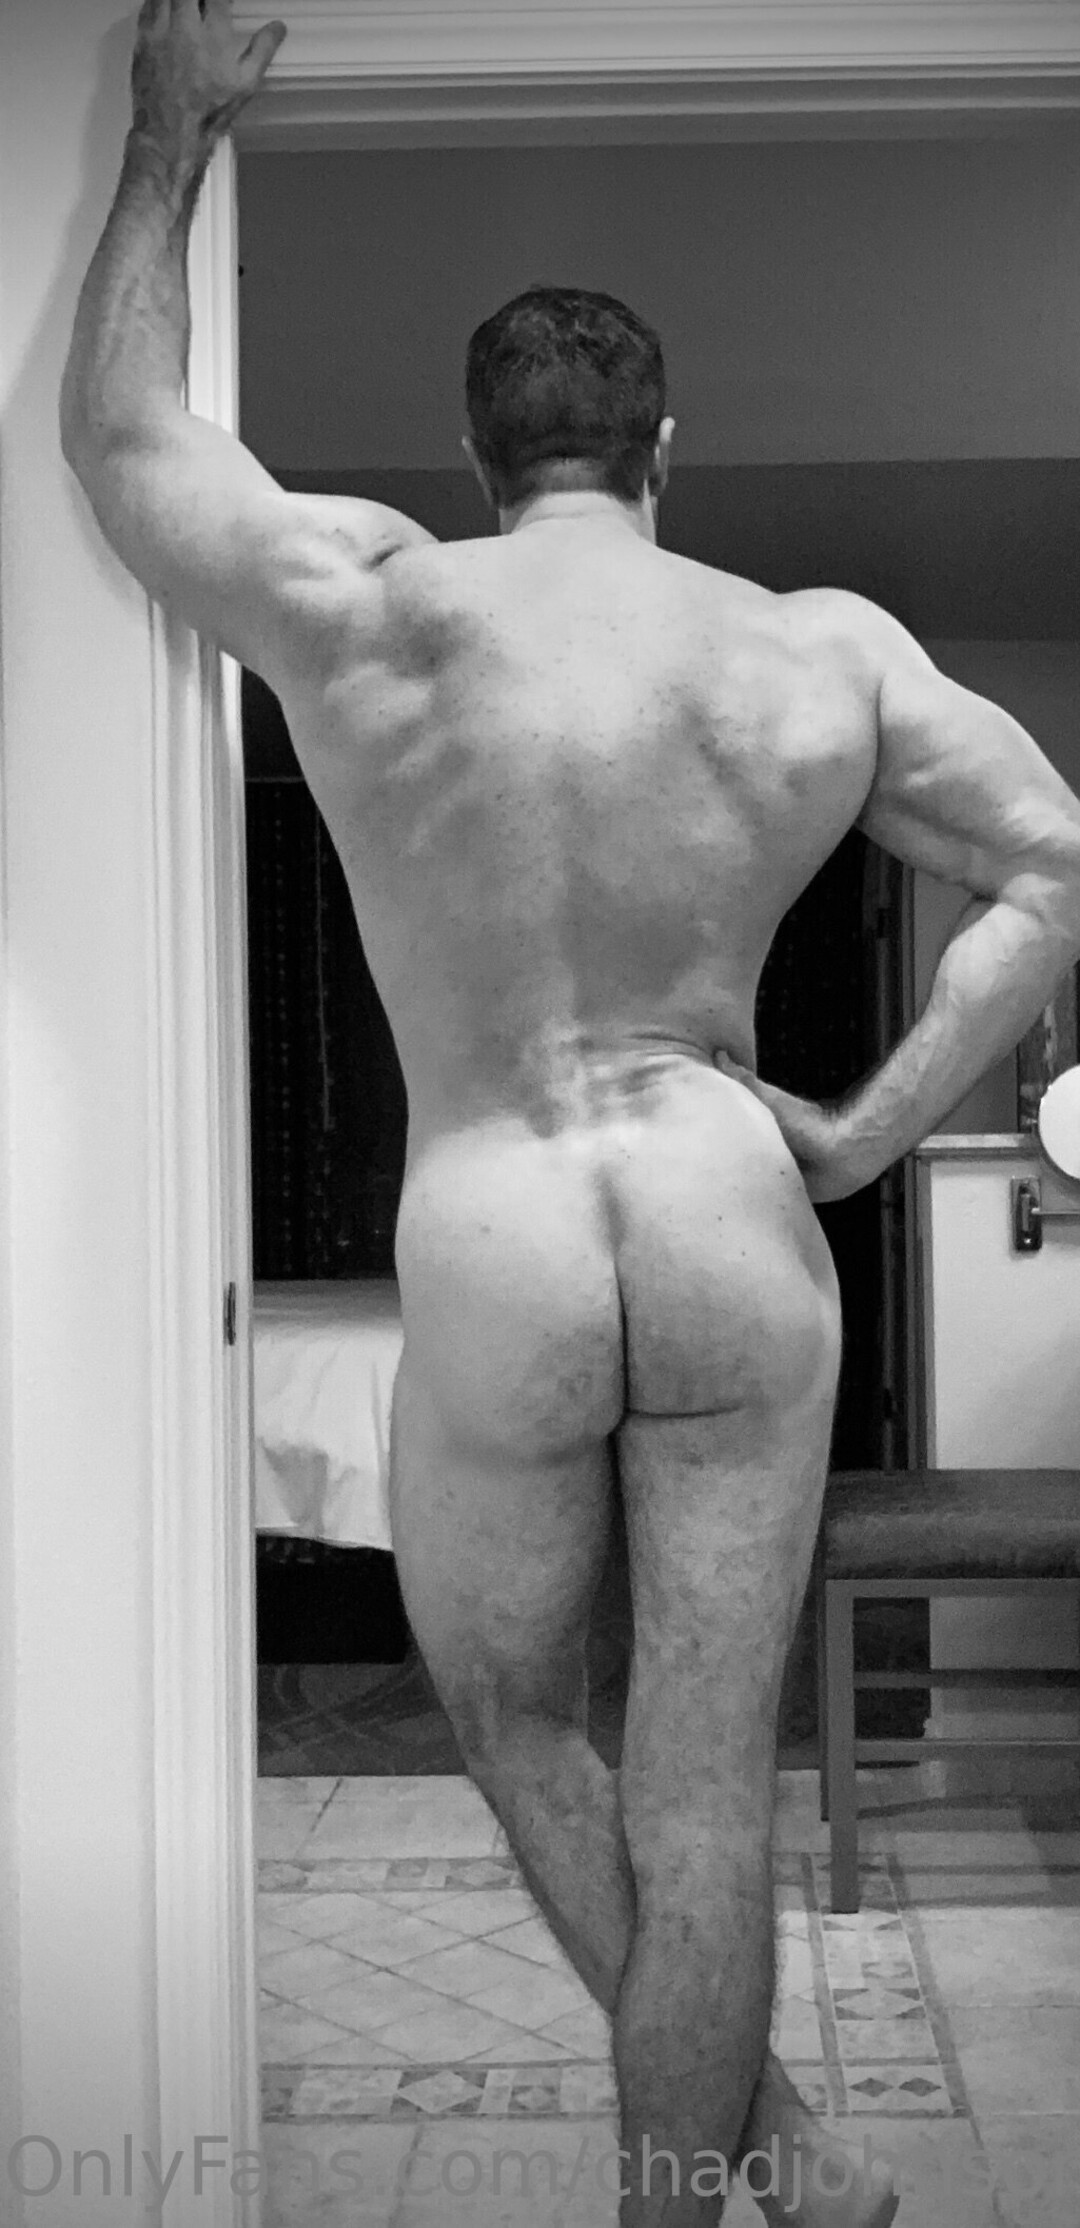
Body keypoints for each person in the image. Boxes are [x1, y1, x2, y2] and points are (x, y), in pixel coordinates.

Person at [60, 8, 1080, 2223]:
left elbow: (121, 432)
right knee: (706, 1779)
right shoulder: (810, 649)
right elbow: (1055, 867)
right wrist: (861, 1134)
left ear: (474, 448)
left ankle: (750, 2157)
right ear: (666, 450)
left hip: (496, 1210)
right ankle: (743, 2163)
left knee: (525, 1722)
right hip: (725, 1201)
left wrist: (166, 134)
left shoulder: (369, 605)